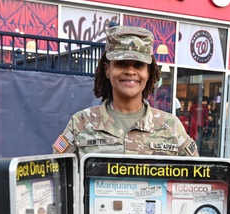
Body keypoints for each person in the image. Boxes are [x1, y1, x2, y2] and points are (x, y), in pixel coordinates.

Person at [52, 25, 197, 157]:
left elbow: (196, 176)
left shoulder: (170, 126)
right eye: (121, 64)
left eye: (139, 65)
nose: (130, 71)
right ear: (107, 70)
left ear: (148, 72)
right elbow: (57, 172)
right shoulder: (81, 123)